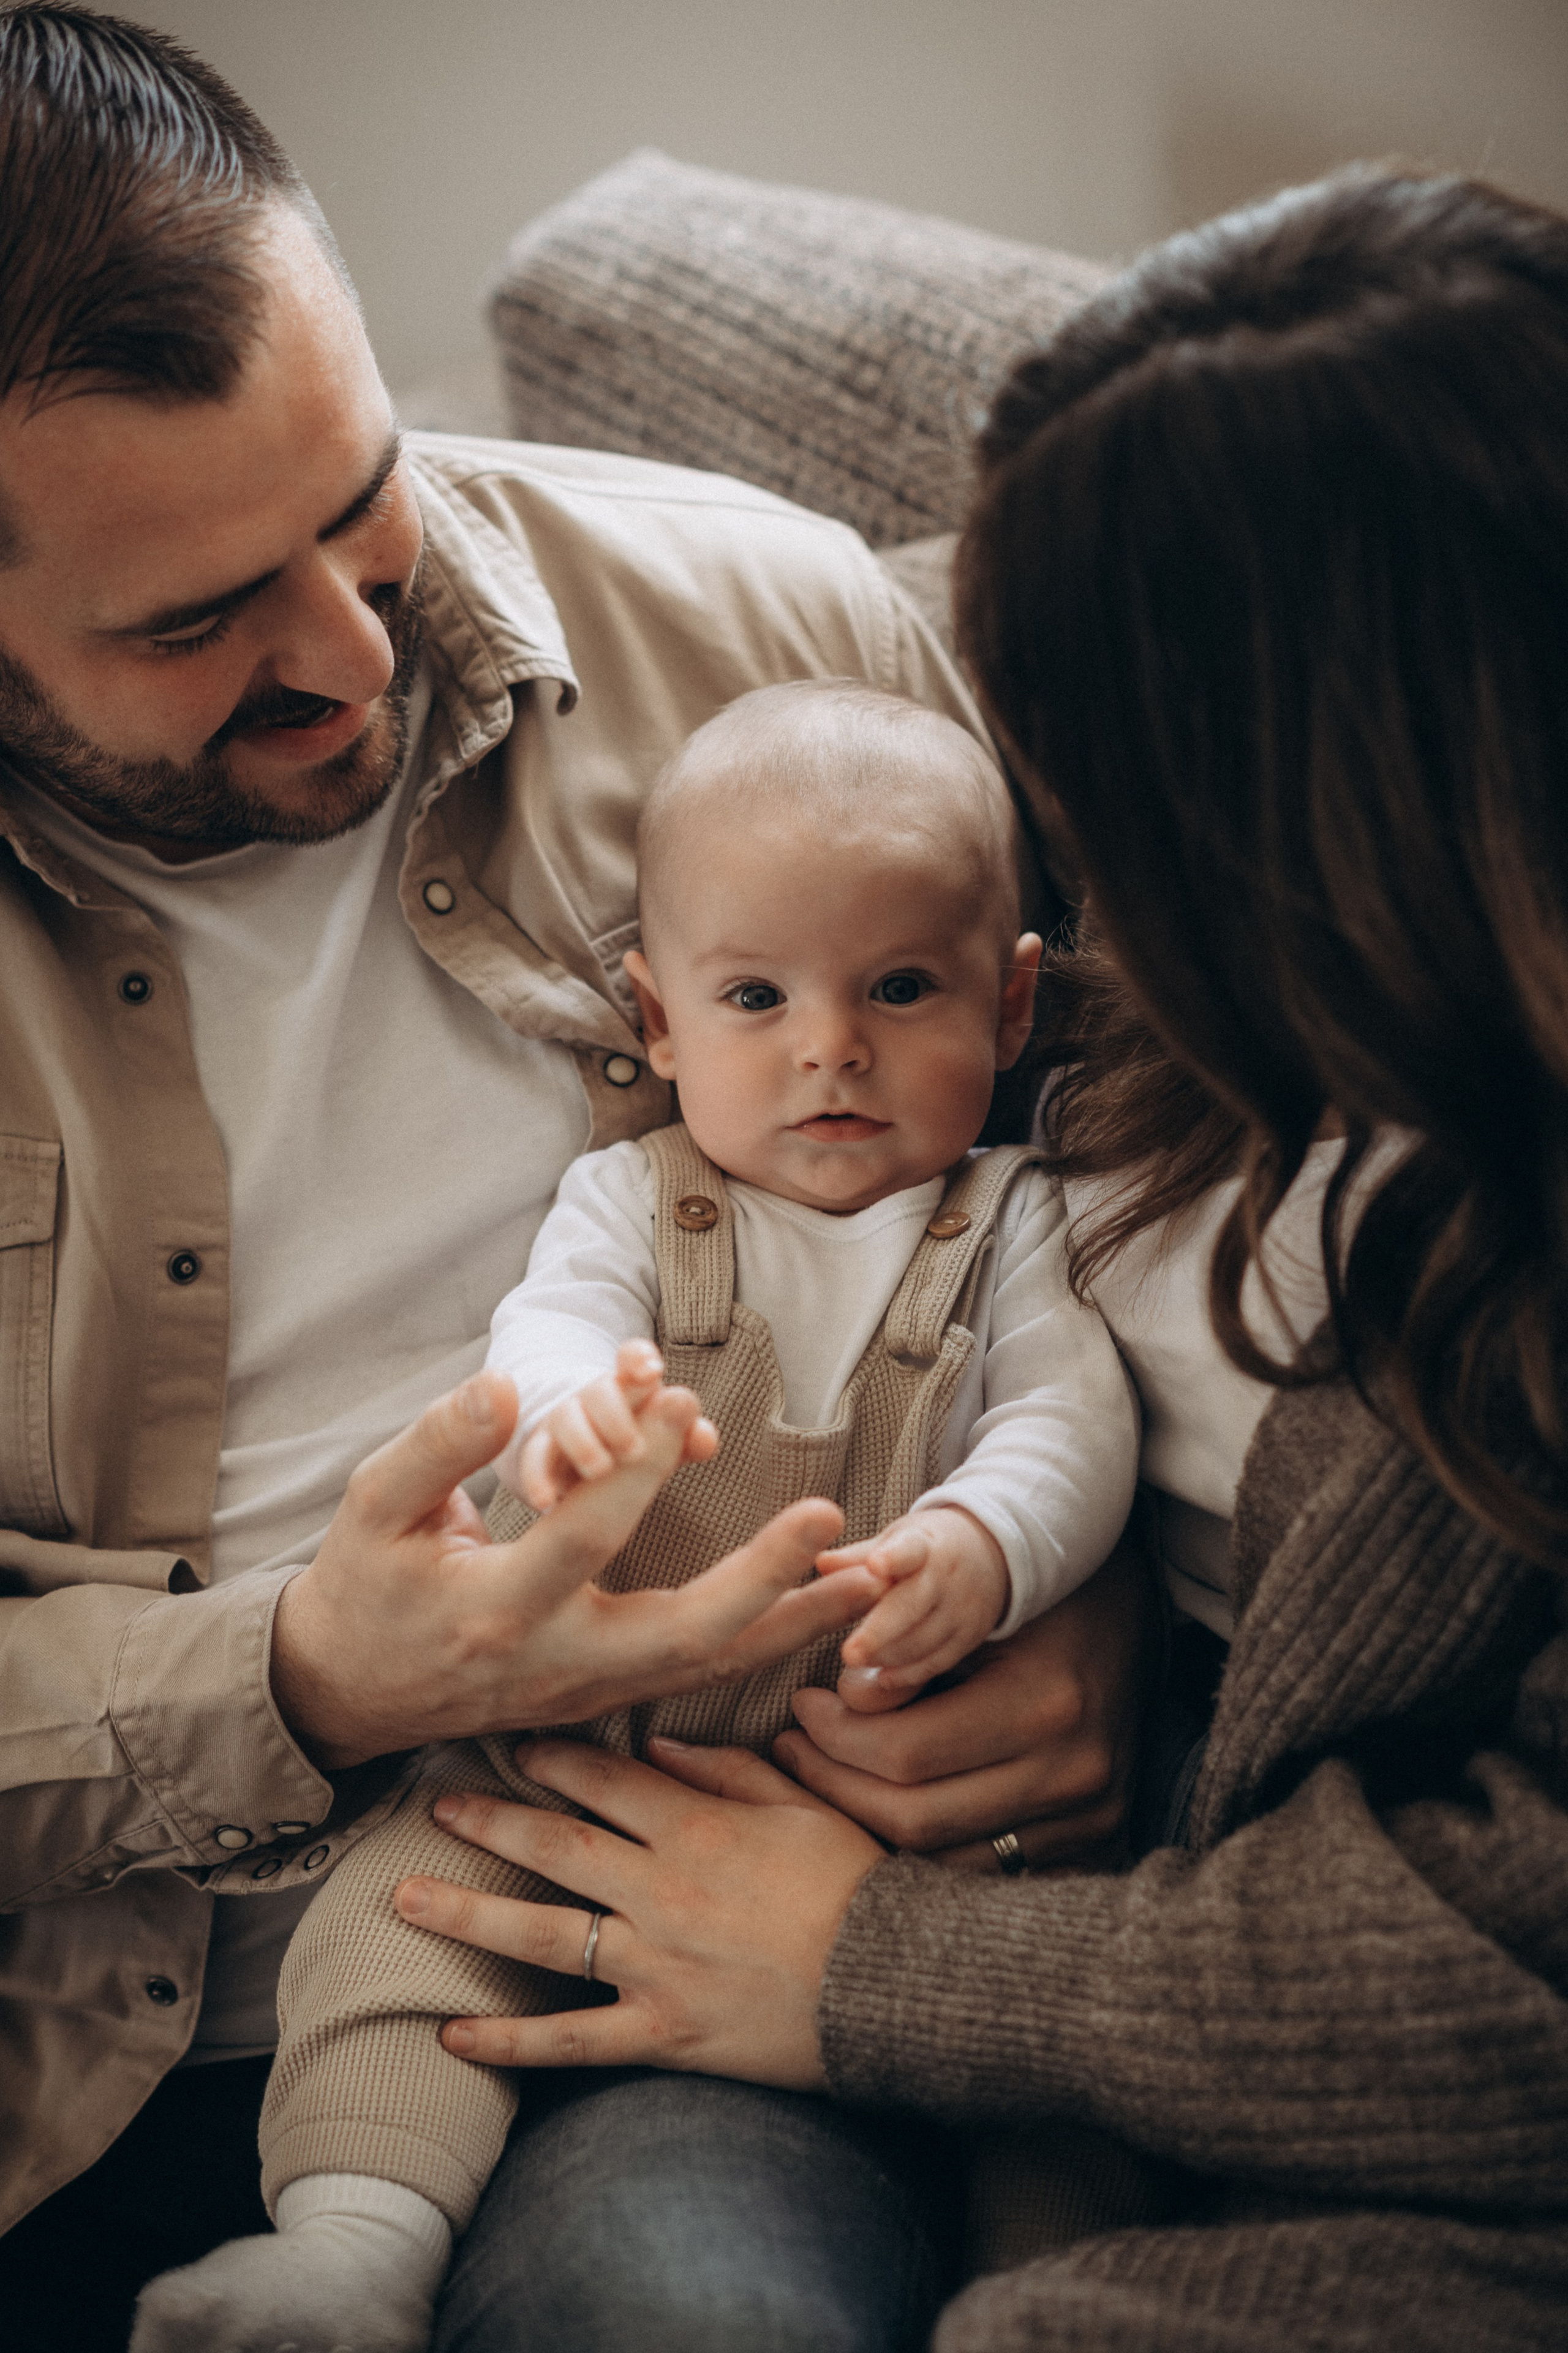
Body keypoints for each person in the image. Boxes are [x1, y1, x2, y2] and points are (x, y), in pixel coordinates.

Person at [0, 10, 1150, 2351]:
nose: (347, 653)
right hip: (61, 2028)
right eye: (191, 621)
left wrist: (1093, 1613)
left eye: (357, 499)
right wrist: (298, 1675)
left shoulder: (770, 629)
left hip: (668, 1931)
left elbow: (1122, 1183)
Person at [370, 168, 1568, 2353]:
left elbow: (1520, 1951)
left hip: (1200, 2029)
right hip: (972, 1860)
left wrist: (898, 1964)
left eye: (1119, 778)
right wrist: (1070, 1590)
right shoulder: (1123, 1048)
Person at [130, 678, 1141, 2351]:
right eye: (759, 996)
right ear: (657, 1020)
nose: (832, 1046)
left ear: (1015, 1005)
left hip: (898, 1827)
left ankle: (1077, 2292)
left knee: (1051, 2092)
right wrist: (564, 1410)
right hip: (580, 1766)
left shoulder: (1012, 1219)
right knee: (406, 1933)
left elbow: (1069, 1415)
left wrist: (987, 1541)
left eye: (902, 988)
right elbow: (541, 1331)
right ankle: (355, 2242)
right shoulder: (631, 1197)